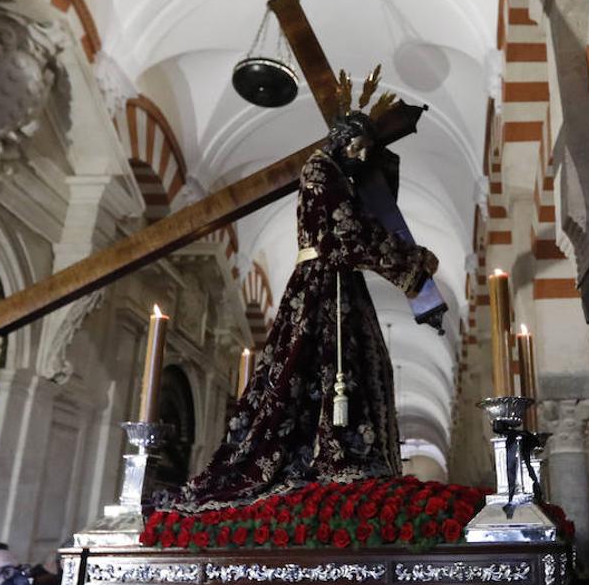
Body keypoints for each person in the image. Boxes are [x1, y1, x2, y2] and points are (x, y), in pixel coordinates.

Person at [173, 77, 439, 509]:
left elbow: (360, 222)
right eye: (357, 145)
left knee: (363, 363)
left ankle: (353, 454)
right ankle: (323, 456)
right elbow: (345, 236)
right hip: (322, 282)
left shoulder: (339, 172)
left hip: (340, 282)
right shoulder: (320, 170)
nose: (362, 155)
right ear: (342, 139)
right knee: (313, 364)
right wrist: (411, 263)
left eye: (367, 148)